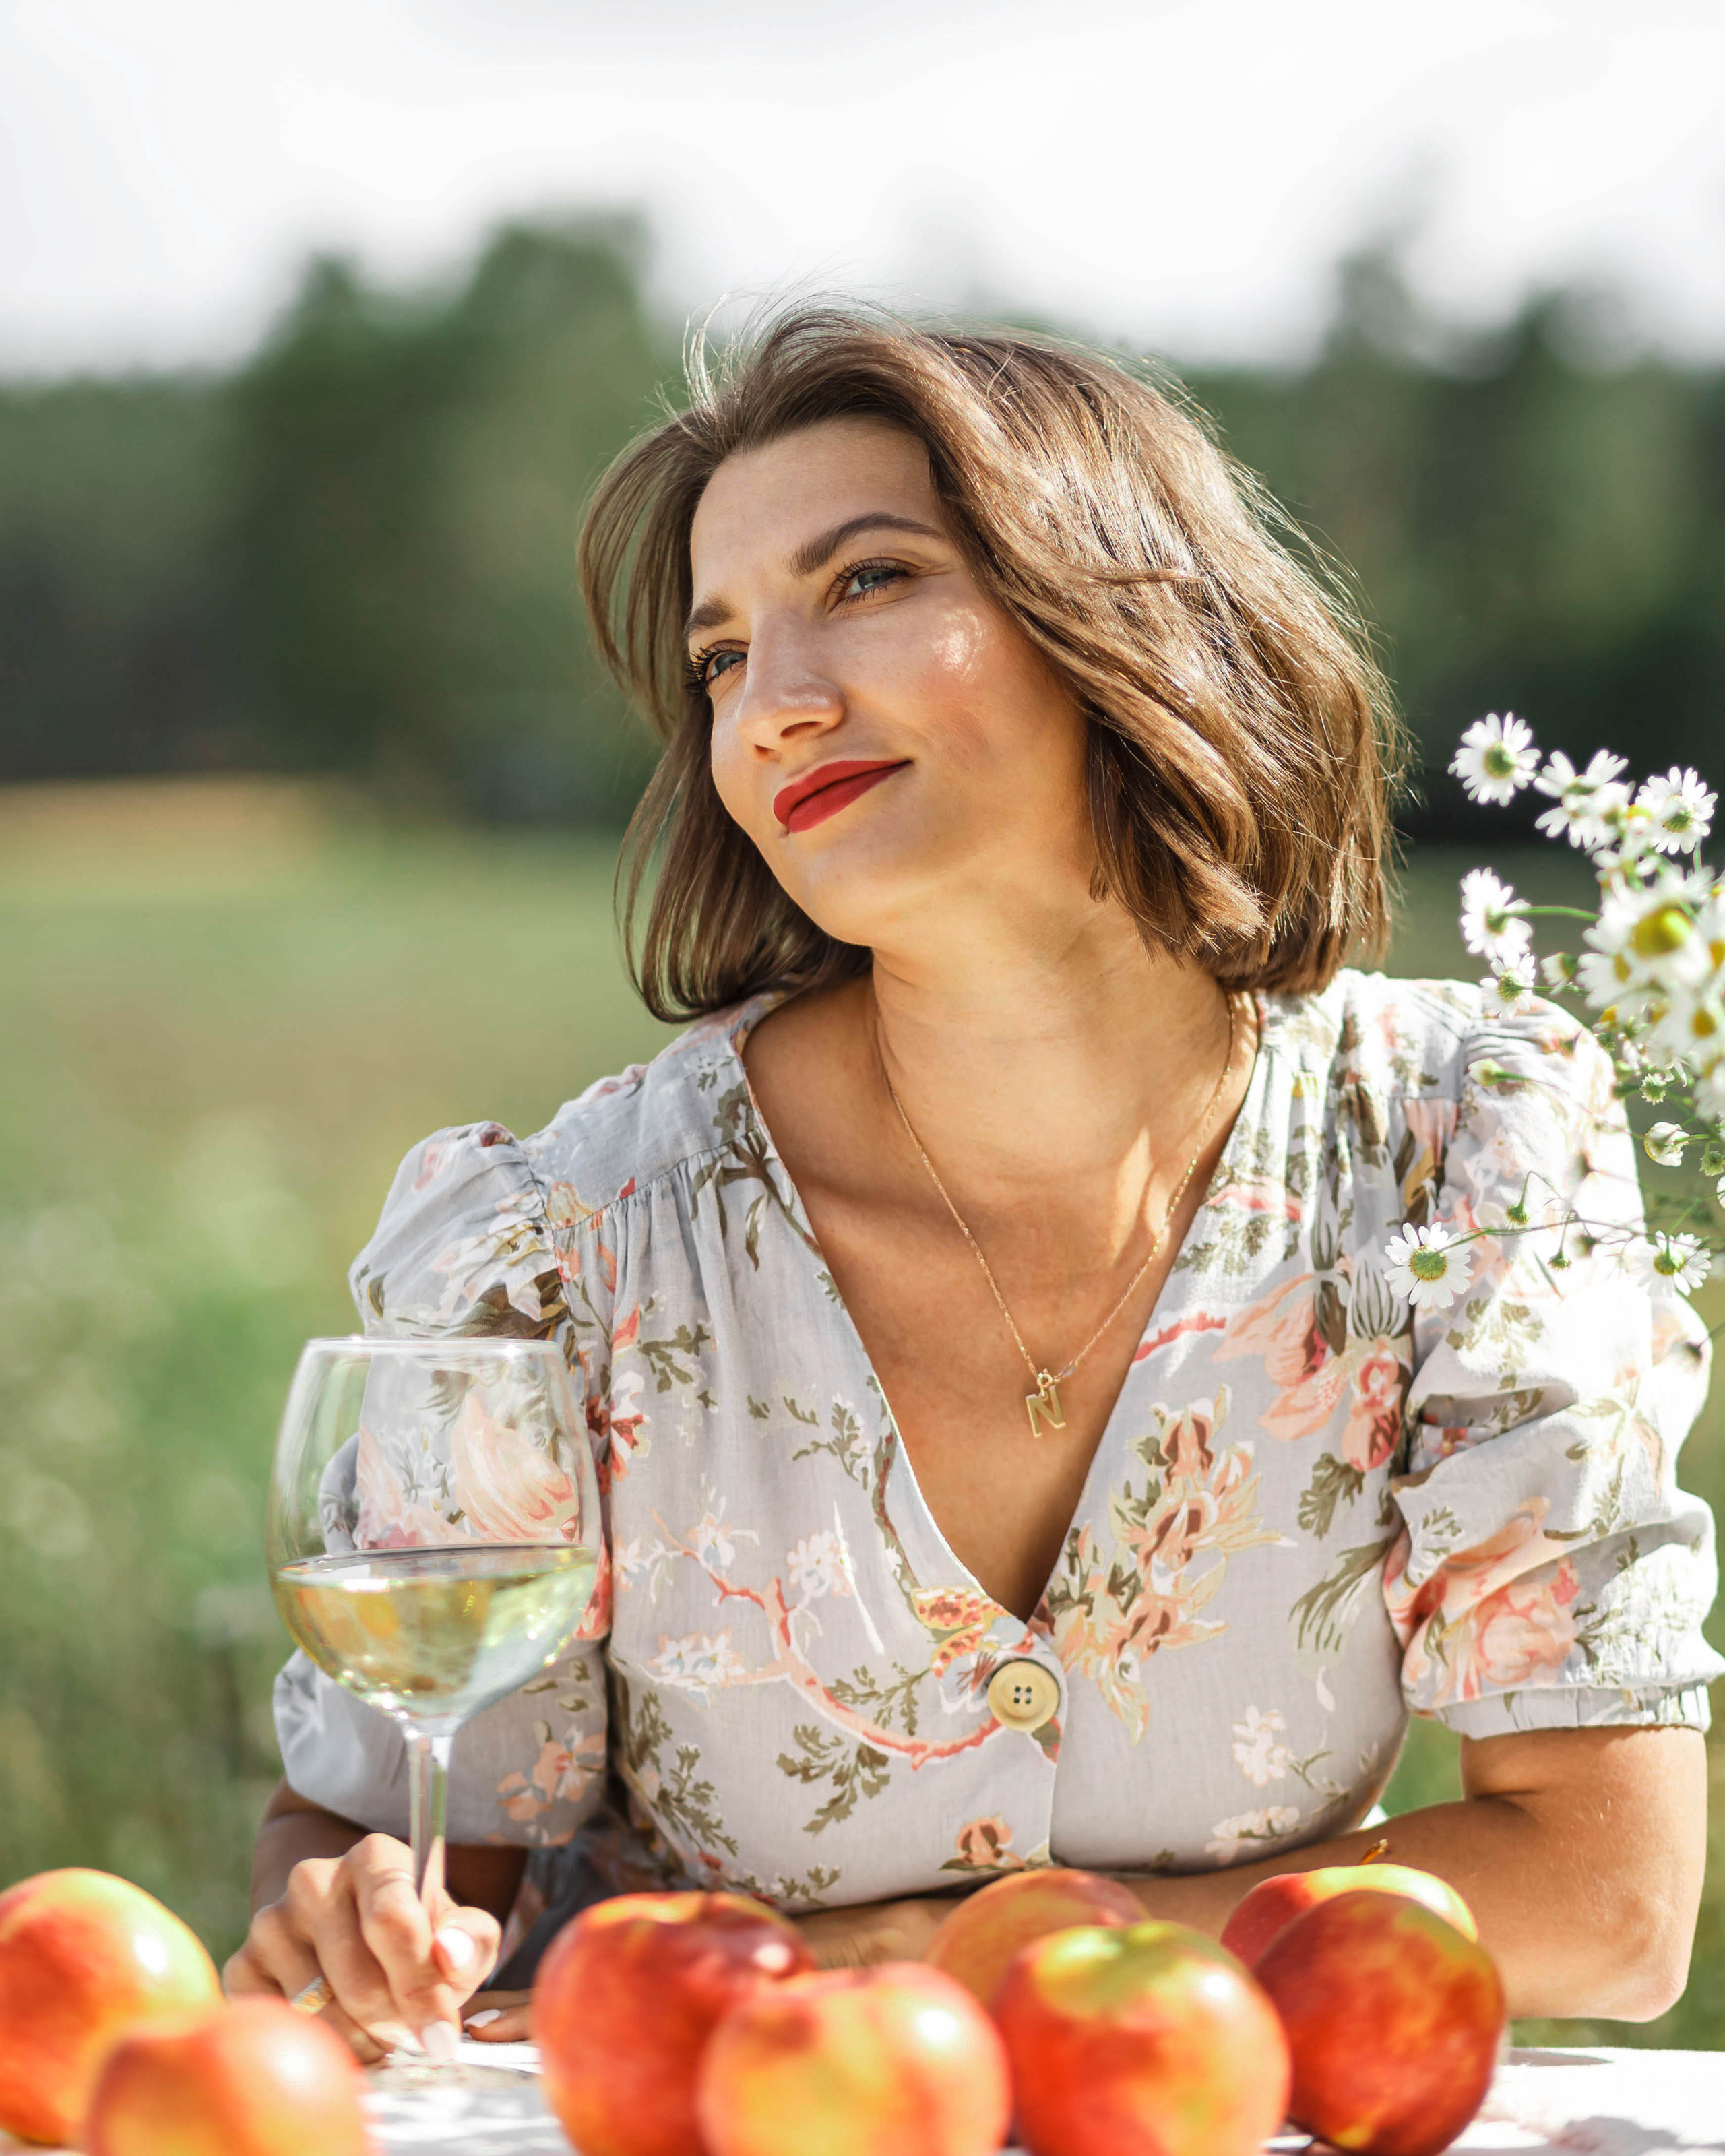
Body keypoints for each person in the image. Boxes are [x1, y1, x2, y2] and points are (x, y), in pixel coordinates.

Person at [228, 308, 1720, 2060]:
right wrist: (346, 1917)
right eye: (720, 656)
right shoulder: (566, 1251)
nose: (775, 704)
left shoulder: (1458, 1145)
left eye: (865, 582)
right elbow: (392, 1843)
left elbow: (1607, 1899)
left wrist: (941, 1955)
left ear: (1118, 613)